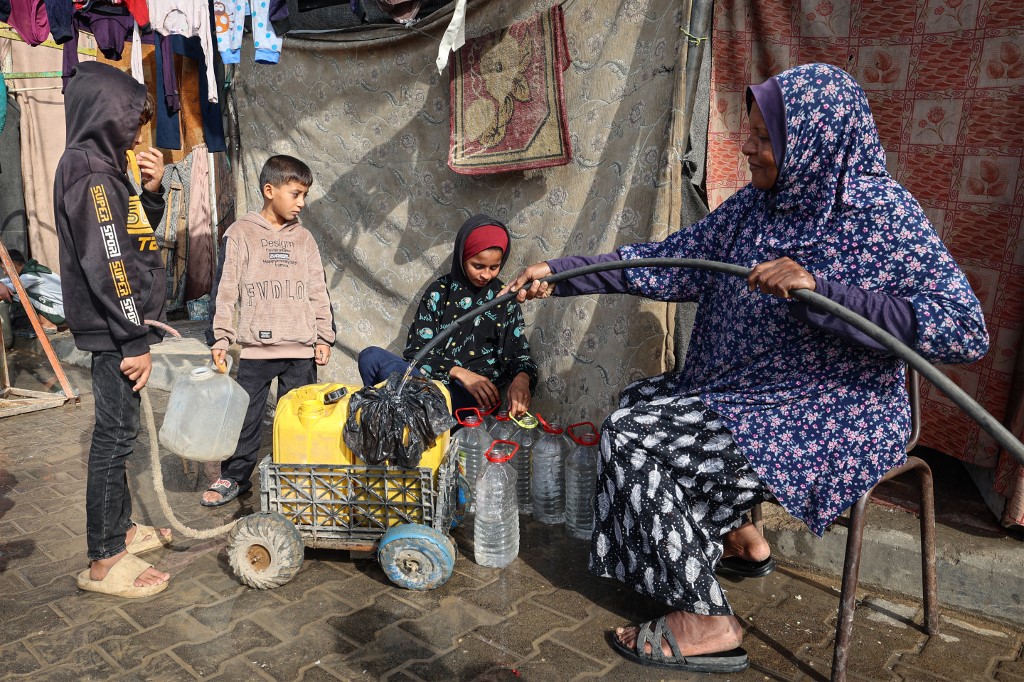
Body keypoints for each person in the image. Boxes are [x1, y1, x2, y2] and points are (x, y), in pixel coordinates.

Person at [505, 63, 989, 673]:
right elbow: (673, 260)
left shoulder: (880, 215)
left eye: (765, 138)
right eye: (751, 132)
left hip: (830, 409)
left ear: (814, 141)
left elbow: (962, 328)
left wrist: (825, 290)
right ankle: (741, 538)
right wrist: (562, 273)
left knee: (635, 440)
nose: (747, 147)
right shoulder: (757, 207)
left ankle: (706, 619)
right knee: (637, 404)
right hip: (744, 392)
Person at [56, 62, 174, 598]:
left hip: (118, 326)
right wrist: (134, 340)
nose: (138, 134)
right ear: (106, 116)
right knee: (114, 439)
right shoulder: (92, 174)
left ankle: (121, 531)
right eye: (132, 121)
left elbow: (131, 240)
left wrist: (149, 194)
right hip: (115, 331)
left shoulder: (101, 167)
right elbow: (111, 266)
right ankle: (105, 557)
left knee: (119, 435)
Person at [204, 154, 335, 506]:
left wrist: (324, 336)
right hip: (256, 351)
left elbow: (318, 289)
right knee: (246, 419)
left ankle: (300, 481)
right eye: (295, 194)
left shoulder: (304, 239)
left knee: (300, 421)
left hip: (301, 352)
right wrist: (221, 336)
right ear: (269, 190)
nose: (302, 203)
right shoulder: (240, 234)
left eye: (305, 195)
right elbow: (226, 289)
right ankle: (233, 478)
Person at [358, 214, 538, 417]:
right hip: (428, 384)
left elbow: (519, 354)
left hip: (470, 398)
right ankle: (410, 413)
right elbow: (416, 353)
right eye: (478, 266)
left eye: (494, 267)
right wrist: (458, 372)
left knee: (402, 389)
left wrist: (522, 378)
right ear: (462, 258)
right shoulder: (439, 292)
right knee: (370, 357)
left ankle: (407, 414)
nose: (486, 275)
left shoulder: (503, 298)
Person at [0, 249, 65, 334]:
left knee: (13, 295)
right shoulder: (29, 271)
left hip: (62, 313)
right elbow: (5, 282)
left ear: (13, 265)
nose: (4, 272)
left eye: (4, 268)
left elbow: (5, 292)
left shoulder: (29, 276)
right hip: (61, 309)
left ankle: (48, 325)